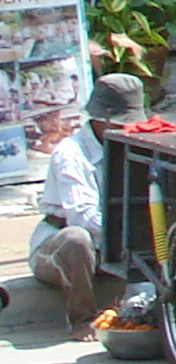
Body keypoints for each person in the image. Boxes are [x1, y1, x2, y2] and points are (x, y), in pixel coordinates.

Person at [28, 72, 141, 338]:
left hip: (109, 249)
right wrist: (127, 237)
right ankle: (82, 318)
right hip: (60, 247)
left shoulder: (129, 147)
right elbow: (83, 216)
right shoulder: (71, 153)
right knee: (77, 239)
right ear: (104, 120)